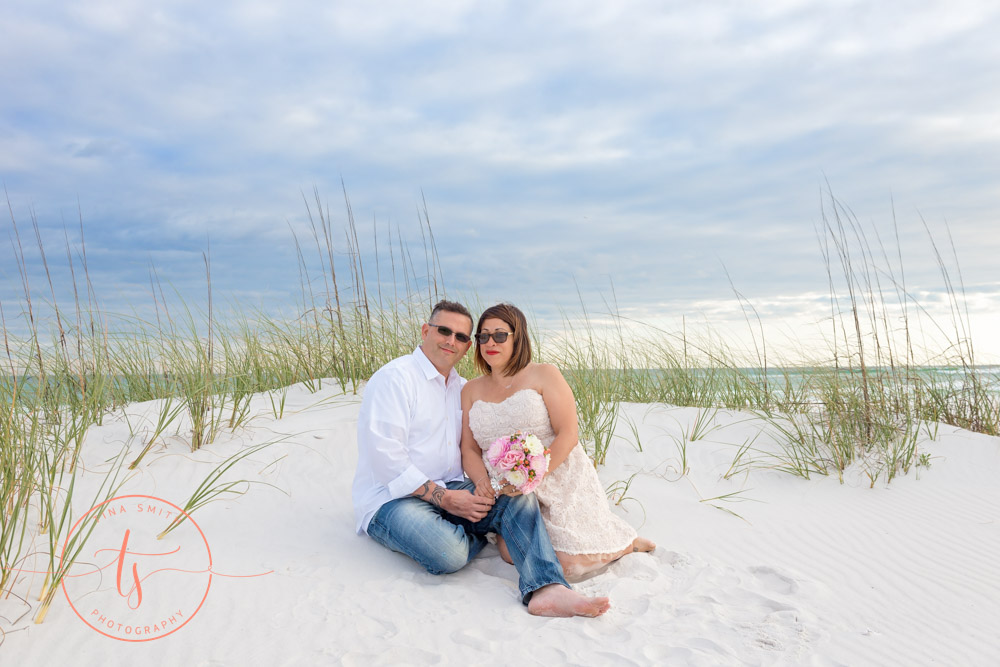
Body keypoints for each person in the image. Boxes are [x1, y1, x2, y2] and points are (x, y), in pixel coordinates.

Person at [352, 299, 610, 617]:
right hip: (393, 500)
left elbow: (471, 447)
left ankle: (546, 588)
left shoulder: (461, 388)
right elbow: (386, 459)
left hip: (454, 490)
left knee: (517, 495)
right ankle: (483, 532)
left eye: (462, 337)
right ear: (425, 331)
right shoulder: (395, 379)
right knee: (449, 553)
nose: (452, 341)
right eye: (444, 331)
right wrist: (445, 498)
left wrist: (492, 481)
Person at [461, 303, 656, 580]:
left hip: (557, 476)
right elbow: (468, 448)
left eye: (500, 335)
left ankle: (626, 544)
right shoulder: (470, 389)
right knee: (508, 553)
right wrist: (483, 482)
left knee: (567, 566)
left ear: (518, 338)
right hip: (504, 490)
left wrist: (533, 475)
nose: (490, 342)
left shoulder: (544, 373)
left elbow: (568, 433)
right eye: (483, 336)